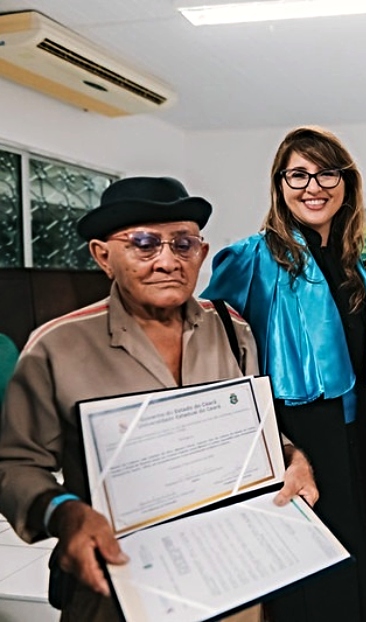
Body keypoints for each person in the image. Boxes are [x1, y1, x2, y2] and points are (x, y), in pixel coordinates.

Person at [0, 176, 316, 622]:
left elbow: (257, 430)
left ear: (202, 253)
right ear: (103, 255)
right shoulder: (57, 347)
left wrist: (292, 458)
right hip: (118, 588)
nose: (167, 261)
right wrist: (62, 512)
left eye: (183, 244)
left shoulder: (232, 331)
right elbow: (14, 465)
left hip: (232, 578)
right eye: (144, 244)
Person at [202, 126, 366, 622]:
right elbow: (214, 352)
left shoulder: (356, 266)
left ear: (346, 184)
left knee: (359, 557)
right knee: (311, 577)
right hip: (297, 433)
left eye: (326, 173)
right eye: (298, 175)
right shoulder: (251, 258)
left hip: (358, 433)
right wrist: (272, 443)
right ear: (279, 185)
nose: (313, 186)